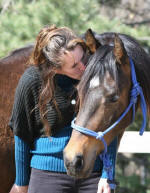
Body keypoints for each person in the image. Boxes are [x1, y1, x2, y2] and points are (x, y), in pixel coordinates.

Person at [9, 25, 117, 193]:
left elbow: (109, 126)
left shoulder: (96, 74)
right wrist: (21, 185)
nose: (83, 67)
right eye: (74, 66)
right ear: (55, 68)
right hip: (47, 175)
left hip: (92, 175)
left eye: (84, 58)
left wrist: (107, 175)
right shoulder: (31, 80)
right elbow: (22, 134)